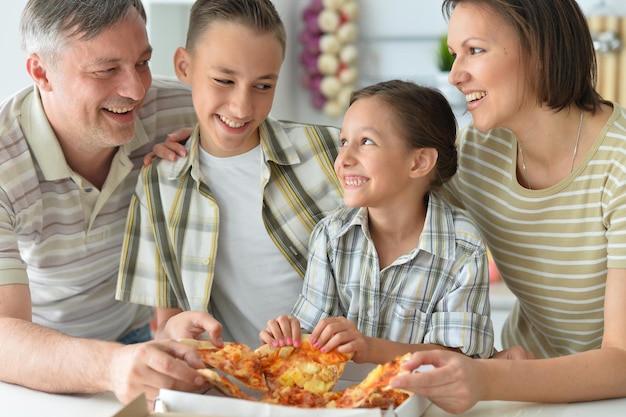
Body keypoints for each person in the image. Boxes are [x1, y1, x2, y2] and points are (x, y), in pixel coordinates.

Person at [390, 0, 626, 413]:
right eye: (455, 53)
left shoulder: (619, 165)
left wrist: (486, 377)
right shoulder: (478, 153)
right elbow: (393, 222)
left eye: (474, 50)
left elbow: (622, 361)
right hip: (525, 386)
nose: (456, 75)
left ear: (540, 51)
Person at [0, 0, 216, 406]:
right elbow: (4, 334)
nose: (136, 90)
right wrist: (111, 366)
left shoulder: (180, 110)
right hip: (40, 360)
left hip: (142, 337)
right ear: (41, 72)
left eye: (143, 62)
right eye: (106, 70)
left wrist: (218, 153)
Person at [115, 0, 344, 349]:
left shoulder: (329, 151)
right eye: (224, 80)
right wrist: (178, 331)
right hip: (234, 386)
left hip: (340, 377)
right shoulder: (159, 184)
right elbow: (165, 327)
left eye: (263, 86)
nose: (241, 107)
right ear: (184, 66)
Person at [259, 80, 494, 364]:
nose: (343, 158)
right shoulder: (330, 236)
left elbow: (459, 358)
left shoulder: (464, 247)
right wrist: (290, 339)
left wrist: (369, 349)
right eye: (344, 142)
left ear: (419, 162)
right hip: (345, 403)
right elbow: (309, 343)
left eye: (366, 142)